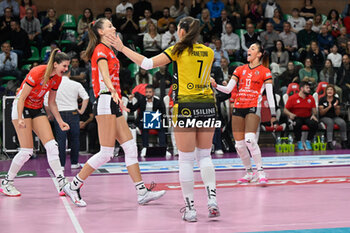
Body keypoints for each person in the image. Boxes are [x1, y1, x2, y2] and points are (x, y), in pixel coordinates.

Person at [108, 16, 220, 221]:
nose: (177, 31)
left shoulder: (178, 49)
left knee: (186, 159)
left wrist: (123, 48)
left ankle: (191, 209)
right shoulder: (209, 51)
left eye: (178, 28)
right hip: (207, 106)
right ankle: (212, 200)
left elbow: (147, 63)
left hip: (186, 106)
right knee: (205, 156)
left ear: (183, 32)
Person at [62, 18, 166, 207]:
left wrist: (117, 97)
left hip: (112, 102)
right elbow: (104, 75)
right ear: (101, 32)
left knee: (130, 148)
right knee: (106, 152)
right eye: (109, 25)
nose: (114, 27)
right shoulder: (100, 50)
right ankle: (73, 185)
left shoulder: (110, 50)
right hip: (104, 101)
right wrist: (113, 92)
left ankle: (142, 192)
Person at [0, 49, 70, 197]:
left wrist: (60, 121)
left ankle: (61, 183)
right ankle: (7, 182)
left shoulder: (57, 78)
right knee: (27, 151)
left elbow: (51, 102)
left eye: (67, 66)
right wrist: (19, 118)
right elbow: (21, 97)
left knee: (52, 145)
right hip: (22, 106)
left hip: (37, 108)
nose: (66, 69)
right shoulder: (38, 72)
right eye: (64, 66)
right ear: (55, 64)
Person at [211, 41, 276, 186]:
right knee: (239, 146)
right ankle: (249, 173)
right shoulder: (240, 69)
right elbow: (228, 89)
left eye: (252, 48)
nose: (249, 50)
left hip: (253, 107)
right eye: (249, 48)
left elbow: (270, 95)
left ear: (259, 54)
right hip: (238, 107)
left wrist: (273, 114)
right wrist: (215, 85)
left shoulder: (265, 71)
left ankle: (261, 172)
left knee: (250, 140)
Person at [51, 73, 90, 170]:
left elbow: (46, 101)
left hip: (59, 113)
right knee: (74, 139)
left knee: (61, 140)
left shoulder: (53, 84)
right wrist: (81, 111)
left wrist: (50, 114)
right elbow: (86, 97)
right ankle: (74, 163)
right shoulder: (76, 84)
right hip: (73, 113)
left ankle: (61, 165)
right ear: (69, 73)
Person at [127, 85, 169, 156]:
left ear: (153, 93)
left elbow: (163, 113)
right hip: (143, 121)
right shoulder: (141, 101)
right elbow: (131, 109)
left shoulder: (158, 102)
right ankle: (145, 147)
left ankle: (163, 148)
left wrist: (161, 120)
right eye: (146, 92)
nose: (148, 94)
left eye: (150, 92)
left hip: (155, 120)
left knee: (161, 127)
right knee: (144, 126)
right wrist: (130, 100)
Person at [284, 81, 318, 151]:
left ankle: (308, 141)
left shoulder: (311, 98)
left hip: (308, 116)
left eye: (309, 88)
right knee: (297, 124)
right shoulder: (293, 98)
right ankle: (299, 142)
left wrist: (314, 115)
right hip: (297, 117)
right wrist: (290, 114)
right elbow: (285, 110)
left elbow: (314, 111)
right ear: (302, 89)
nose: (309, 89)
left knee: (314, 123)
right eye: (307, 88)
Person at [318, 84, 347, 149]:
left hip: (334, 117)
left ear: (334, 92)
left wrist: (336, 107)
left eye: (331, 90)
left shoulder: (336, 100)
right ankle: (329, 141)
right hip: (324, 117)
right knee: (330, 122)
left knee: (342, 122)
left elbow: (337, 114)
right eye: (328, 89)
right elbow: (321, 113)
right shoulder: (322, 99)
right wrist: (329, 107)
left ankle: (344, 141)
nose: (329, 91)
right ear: (326, 91)